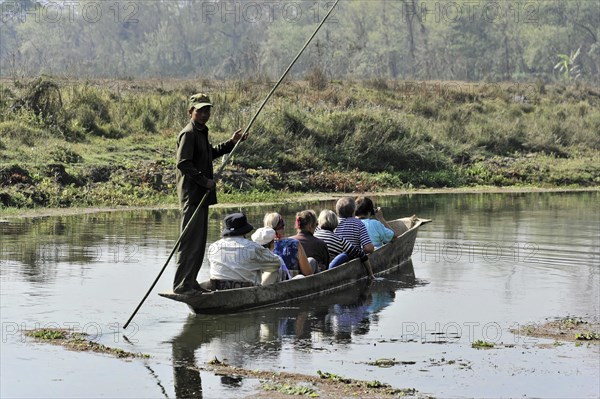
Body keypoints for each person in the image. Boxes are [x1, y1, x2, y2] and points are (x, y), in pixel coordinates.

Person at [174, 93, 246, 295]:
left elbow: (209, 154)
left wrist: (231, 143)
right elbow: (183, 164)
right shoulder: (188, 133)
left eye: (207, 110)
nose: (205, 114)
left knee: (198, 243)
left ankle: (190, 282)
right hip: (193, 196)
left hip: (201, 196)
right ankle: (182, 285)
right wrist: (204, 181)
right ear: (191, 111)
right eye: (200, 110)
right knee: (190, 242)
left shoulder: (201, 132)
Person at [207, 213, 281, 290]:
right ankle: (264, 294)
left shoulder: (213, 247)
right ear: (245, 231)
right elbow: (277, 263)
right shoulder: (252, 247)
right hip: (249, 293)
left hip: (218, 290)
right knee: (273, 270)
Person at [263, 212, 313, 277]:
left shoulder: (261, 246)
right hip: (294, 282)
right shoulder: (294, 244)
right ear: (282, 227)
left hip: (271, 281)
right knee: (312, 261)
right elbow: (308, 273)